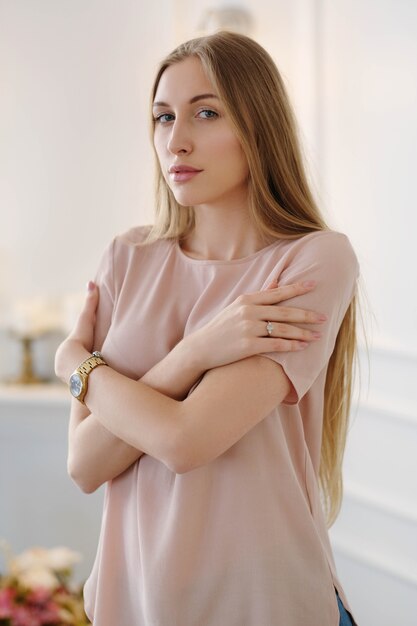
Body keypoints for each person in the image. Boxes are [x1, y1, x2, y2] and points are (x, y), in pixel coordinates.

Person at [55, 31, 358, 626]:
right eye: (163, 117)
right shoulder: (127, 257)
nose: (177, 139)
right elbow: (85, 465)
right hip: (135, 604)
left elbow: (184, 441)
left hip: (263, 601)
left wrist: (78, 368)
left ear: (258, 125)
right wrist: (194, 352)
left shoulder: (312, 261)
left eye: (206, 112)